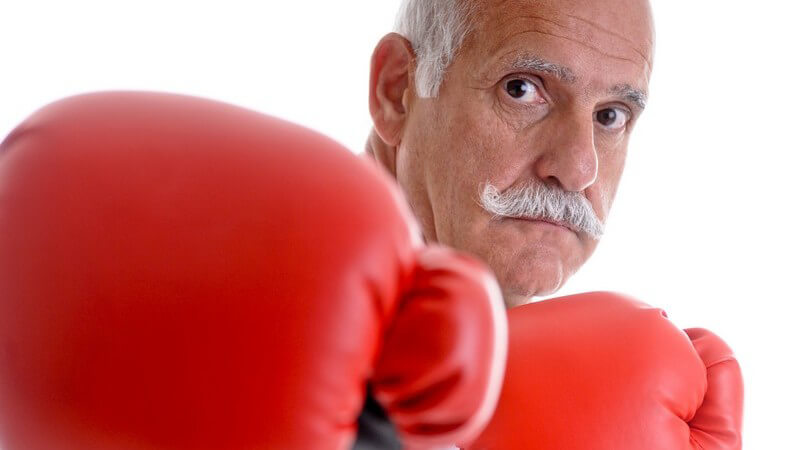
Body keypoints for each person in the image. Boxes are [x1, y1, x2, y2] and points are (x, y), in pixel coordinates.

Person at [356, 0, 656, 447]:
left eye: (609, 116)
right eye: (521, 89)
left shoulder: (525, 380)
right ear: (396, 90)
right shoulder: (279, 314)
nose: (578, 169)